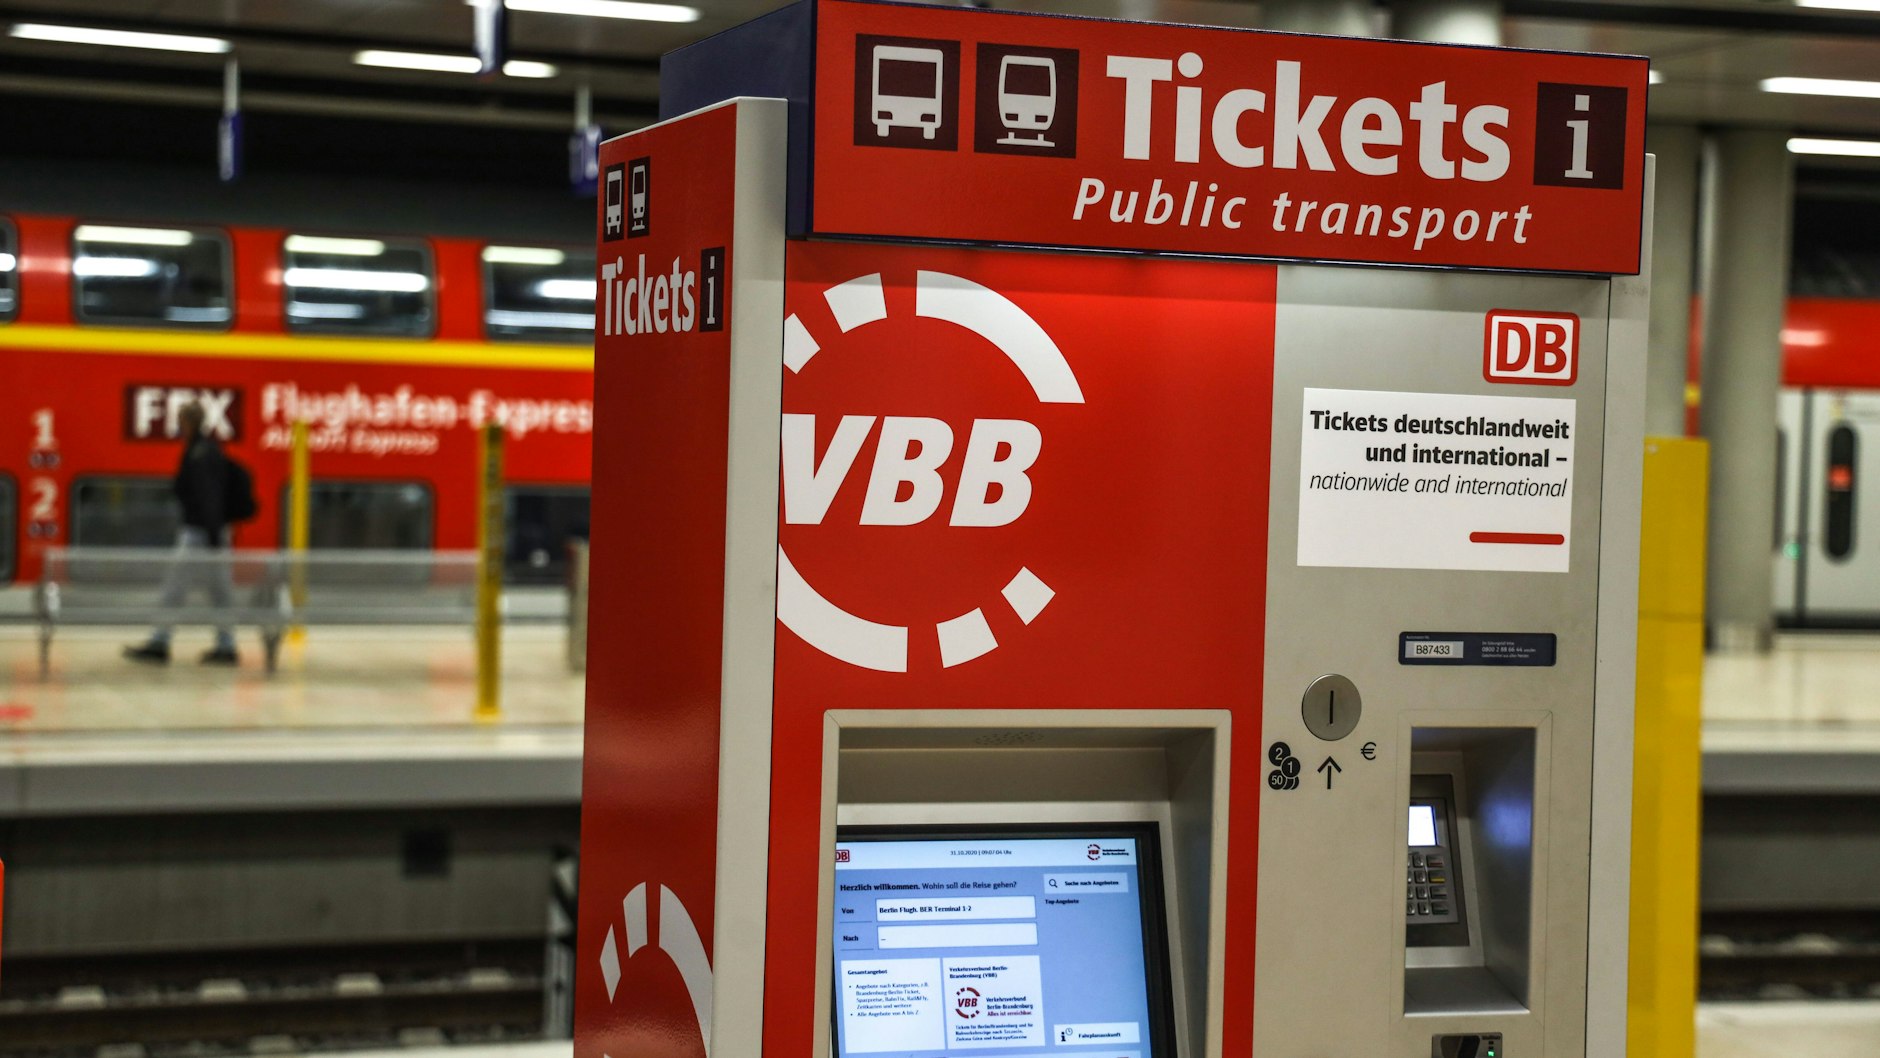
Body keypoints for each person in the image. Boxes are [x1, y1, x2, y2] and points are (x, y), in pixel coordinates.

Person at [125, 402, 240, 665]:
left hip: (201, 533)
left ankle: (161, 641)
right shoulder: (209, 449)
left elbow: (208, 496)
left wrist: (212, 536)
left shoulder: (199, 453)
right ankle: (226, 644)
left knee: (176, 586)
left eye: (180, 421)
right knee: (219, 590)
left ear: (187, 422)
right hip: (213, 532)